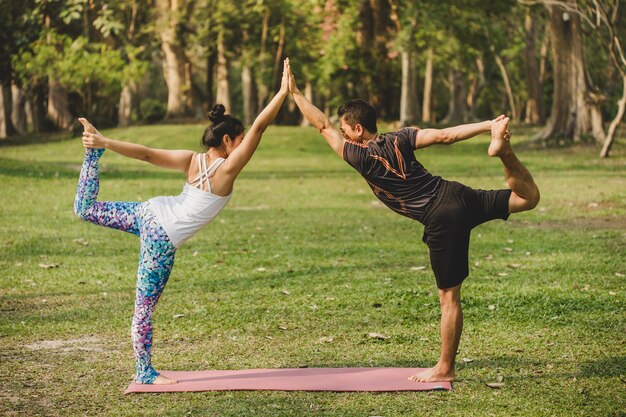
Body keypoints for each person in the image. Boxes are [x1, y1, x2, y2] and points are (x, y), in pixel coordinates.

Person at [286, 65, 539, 383]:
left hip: (441, 216)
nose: (343, 134)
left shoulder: (360, 156)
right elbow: (445, 136)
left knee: (449, 297)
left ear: (359, 130)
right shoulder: (402, 137)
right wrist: (490, 124)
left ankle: (445, 367)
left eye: (346, 129)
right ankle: (505, 153)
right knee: (526, 199)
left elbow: (321, 125)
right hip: (456, 193)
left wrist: (295, 93)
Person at [74, 59, 291, 385]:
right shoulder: (227, 171)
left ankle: (93, 155)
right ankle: (144, 373)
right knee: (143, 309)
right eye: (241, 140)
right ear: (230, 141)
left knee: (85, 209)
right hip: (161, 238)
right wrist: (284, 92)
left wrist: (104, 143)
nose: (246, 143)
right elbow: (260, 126)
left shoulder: (192, 159)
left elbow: (146, 153)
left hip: (147, 213)